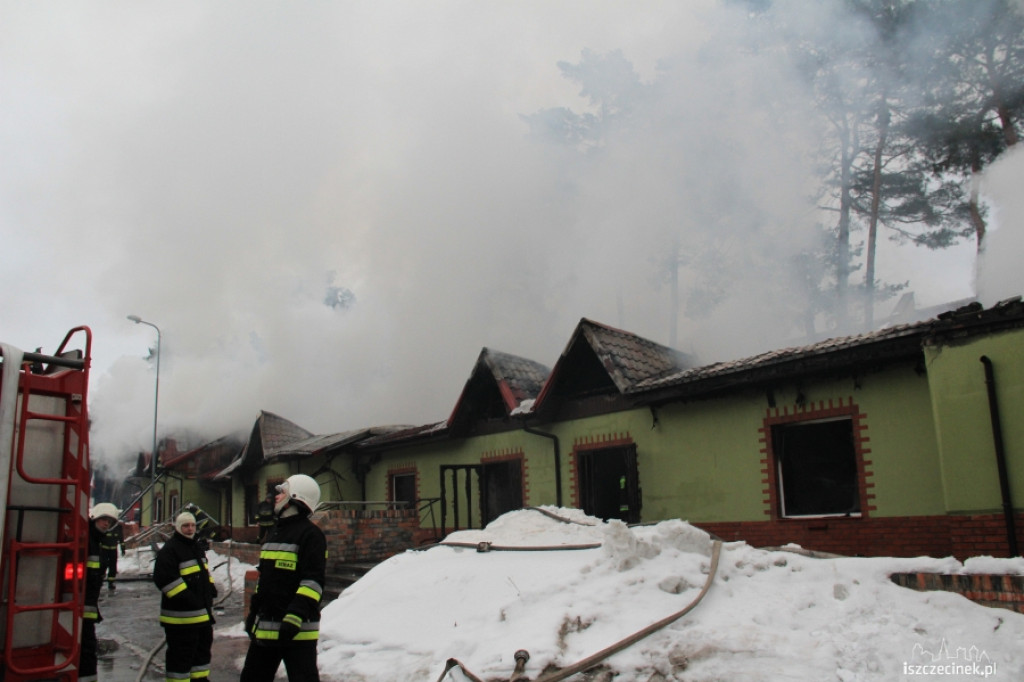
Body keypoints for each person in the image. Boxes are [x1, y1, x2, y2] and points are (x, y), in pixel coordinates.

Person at [240, 474, 326, 682]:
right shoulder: (274, 534)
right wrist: (253, 613)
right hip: (267, 629)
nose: (277, 496)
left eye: (283, 492)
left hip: (297, 632)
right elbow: (265, 581)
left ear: (296, 498)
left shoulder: (311, 536)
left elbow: (312, 582)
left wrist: (294, 616)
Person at [153, 511, 217, 682]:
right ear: (178, 528)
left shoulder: (195, 547)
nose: (190, 529)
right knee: (180, 659)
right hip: (180, 620)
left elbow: (202, 572)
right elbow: (164, 579)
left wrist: (210, 587)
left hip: (201, 617)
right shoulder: (171, 550)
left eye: (192, 526)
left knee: (201, 655)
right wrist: (189, 599)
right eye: (186, 526)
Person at [81, 503, 118, 682]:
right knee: (86, 648)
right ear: (95, 518)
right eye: (104, 520)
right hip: (81, 606)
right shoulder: (88, 540)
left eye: (109, 522)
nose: (106, 524)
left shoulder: (97, 541)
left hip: (87, 605)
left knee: (88, 647)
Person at [99, 511, 125, 591]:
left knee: (113, 566)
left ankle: (111, 582)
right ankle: (100, 581)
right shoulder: (105, 526)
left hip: (113, 550)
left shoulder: (118, 527)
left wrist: (122, 548)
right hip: (104, 550)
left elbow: (121, 538)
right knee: (102, 565)